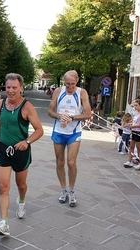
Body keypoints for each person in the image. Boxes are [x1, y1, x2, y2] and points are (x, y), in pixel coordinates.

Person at [0, 73, 44, 236]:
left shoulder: (27, 107)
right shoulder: (0, 104)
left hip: (21, 151)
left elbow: (39, 130)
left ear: (21, 88)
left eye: (14, 87)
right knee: (3, 186)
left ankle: (21, 202)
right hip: (4, 149)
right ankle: (3, 223)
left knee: (21, 185)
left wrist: (26, 142)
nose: (11, 91)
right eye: (8, 87)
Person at [47, 70, 92, 207]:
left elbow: (88, 114)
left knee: (71, 162)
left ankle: (72, 190)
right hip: (59, 131)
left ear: (77, 82)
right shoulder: (58, 92)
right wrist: (59, 116)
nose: (70, 87)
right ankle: (64, 189)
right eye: (67, 84)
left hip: (74, 132)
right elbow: (50, 111)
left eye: (72, 84)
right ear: (64, 82)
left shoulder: (82, 93)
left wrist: (72, 118)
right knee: (60, 162)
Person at [123, 99, 140, 170]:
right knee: (131, 146)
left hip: (138, 131)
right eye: (134, 105)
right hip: (133, 131)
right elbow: (136, 121)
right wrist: (131, 124)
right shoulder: (136, 113)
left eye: (136, 105)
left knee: (139, 148)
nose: (135, 107)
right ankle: (129, 161)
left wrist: (134, 126)